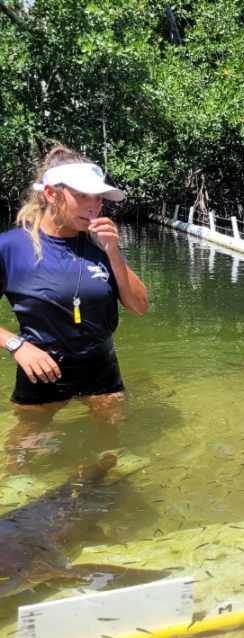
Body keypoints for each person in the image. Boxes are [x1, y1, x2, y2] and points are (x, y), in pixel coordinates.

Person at [0, 145, 149, 468]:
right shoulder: (11, 247)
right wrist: (16, 345)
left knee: (108, 448)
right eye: (83, 196)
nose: (94, 207)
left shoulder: (99, 244)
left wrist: (112, 252)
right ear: (52, 194)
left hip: (101, 367)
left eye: (99, 199)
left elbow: (139, 306)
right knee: (21, 455)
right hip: (41, 368)